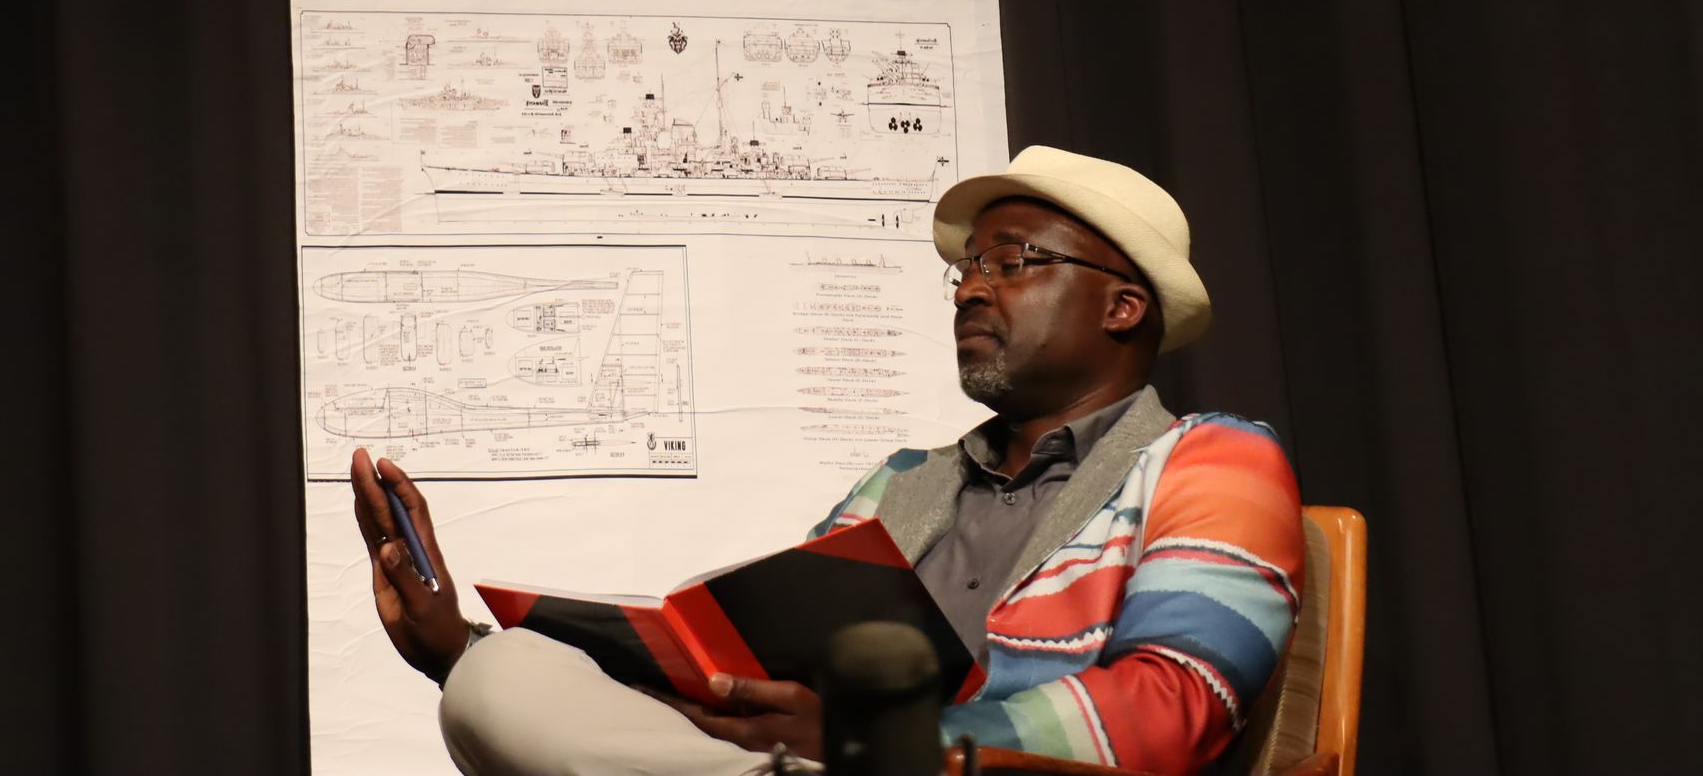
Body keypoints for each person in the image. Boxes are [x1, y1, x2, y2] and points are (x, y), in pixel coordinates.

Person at [354, 146, 1304, 776]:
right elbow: (756, 679)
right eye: (966, 268)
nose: (970, 290)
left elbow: (1178, 704)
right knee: (501, 677)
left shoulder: (1211, 459)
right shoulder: (905, 482)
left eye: (1011, 263)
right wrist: (457, 645)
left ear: (1123, 307)